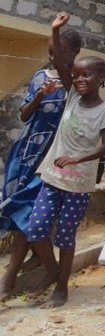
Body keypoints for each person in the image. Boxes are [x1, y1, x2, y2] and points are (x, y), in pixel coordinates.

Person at [1, 12, 105, 309]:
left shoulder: (98, 106)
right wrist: (54, 30)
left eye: (86, 75)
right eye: (76, 76)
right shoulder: (65, 91)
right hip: (42, 167)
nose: (79, 79)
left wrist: (78, 157)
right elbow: (28, 110)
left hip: (74, 179)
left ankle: (54, 284)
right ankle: (45, 274)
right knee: (30, 223)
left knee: (63, 234)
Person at [0, 23, 77, 237]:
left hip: (52, 153)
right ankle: (24, 251)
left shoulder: (76, 81)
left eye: (59, 51)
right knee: (17, 201)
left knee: (36, 205)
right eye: (51, 51)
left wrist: (55, 31)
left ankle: (36, 252)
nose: (53, 57)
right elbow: (24, 115)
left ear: (75, 52)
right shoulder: (40, 77)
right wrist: (40, 95)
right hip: (26, 150)